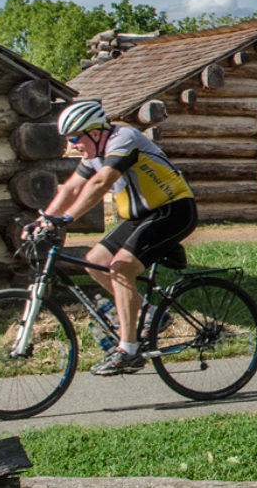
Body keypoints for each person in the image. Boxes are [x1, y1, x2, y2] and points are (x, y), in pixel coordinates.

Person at [27, 99, 197, 376]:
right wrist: (43, 220)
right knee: (95, 261)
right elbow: (71, 188)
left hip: (173, 210)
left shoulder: (123, 139)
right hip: (142, 217)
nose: (72, 145)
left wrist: (67, 219)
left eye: (75, 138)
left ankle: (128, 350)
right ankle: (153, 315)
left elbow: (100, 182)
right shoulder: (93, 153)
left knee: (120, 268)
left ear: (95, 132)